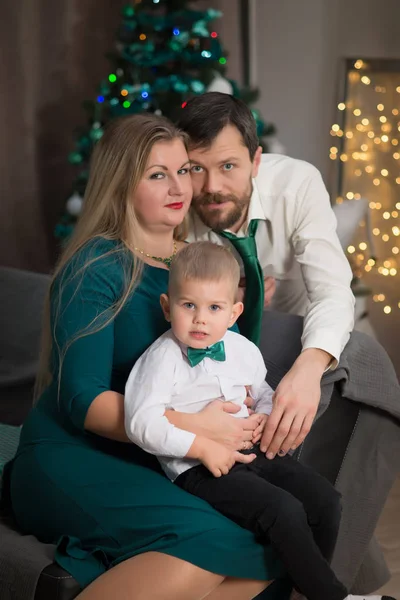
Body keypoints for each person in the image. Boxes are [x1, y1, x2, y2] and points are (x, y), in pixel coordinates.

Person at [7, 114, 284, 600]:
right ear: (122, 183)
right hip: (72, 455)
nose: (180, 186)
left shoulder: (197, 266)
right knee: (206, 541)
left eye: (185, 170)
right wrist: (198, 427)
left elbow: (232, 366)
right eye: (158, 174)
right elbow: (82, 402)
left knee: (271, 547)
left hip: (157, 457)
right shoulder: (97, 266)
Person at [124, 241, 393, 600]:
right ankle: (334, 598)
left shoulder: (242, 350)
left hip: (252, 447)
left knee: (326, 501)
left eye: (214, 307)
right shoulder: (161, 359)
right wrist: (202, 447)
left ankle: (308, 590)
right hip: (199, 465)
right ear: (167, 307)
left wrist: (265, 416)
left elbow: (263, 391)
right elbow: (141, 422)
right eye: (188, 305)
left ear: (234, 313)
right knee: (283, 510)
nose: (200, 318)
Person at [178, 92, 356, 462]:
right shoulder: (176, 204)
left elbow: (333, 290)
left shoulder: (299, 184)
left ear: (256, 161)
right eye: (197, 168)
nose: (211, 187)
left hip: (294, 326)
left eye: (228, 166)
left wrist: (308, 369)